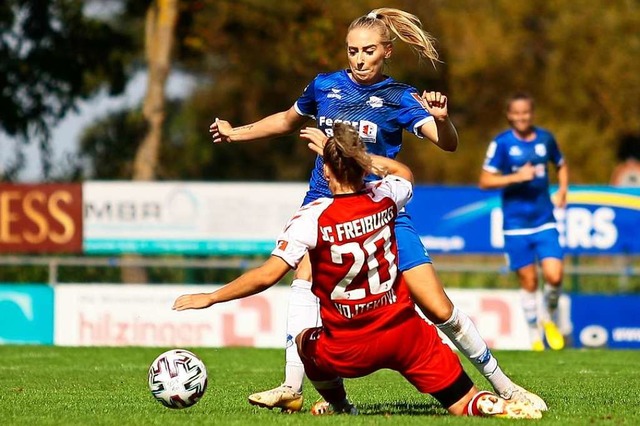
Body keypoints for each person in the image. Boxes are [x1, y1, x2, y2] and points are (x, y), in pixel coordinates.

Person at [209, 7, 546, 412]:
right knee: (303, 277)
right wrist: (235, 133)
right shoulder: (325, 86)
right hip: (326, 203)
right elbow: (285, 120)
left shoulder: (400, 97)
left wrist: (444, 119)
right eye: (352, 51)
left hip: (381, 211)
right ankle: (292, 387)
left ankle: (507, 387)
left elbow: (447, 143)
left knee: (437, 306)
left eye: (368, 50)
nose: (359, 58)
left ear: (387, 51)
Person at [173, 123, 541, 419]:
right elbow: (404, 171)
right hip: (406, 335)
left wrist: (211, 297)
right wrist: (365, 160)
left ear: (327, 169)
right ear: (362, 166)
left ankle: (340, 405)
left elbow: (267, 275)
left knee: (305, 342)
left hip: (349, 347)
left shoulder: (311, 217)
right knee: (464, 404)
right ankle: (494, 405)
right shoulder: (386, 196)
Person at [479, 92, 569, 351]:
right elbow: (485, 181)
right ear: (509, 115)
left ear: (532, 114)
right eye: (516, 113)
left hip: (544, 220)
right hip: (516, 225)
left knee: (554, 275)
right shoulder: (502, 144)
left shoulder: (545, 138)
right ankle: (533, 332)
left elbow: (560, 164)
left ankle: (548, 317)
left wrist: (563, 190)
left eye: (525, 113)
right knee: (528, 281)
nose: (521, 117)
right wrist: (516, 177)